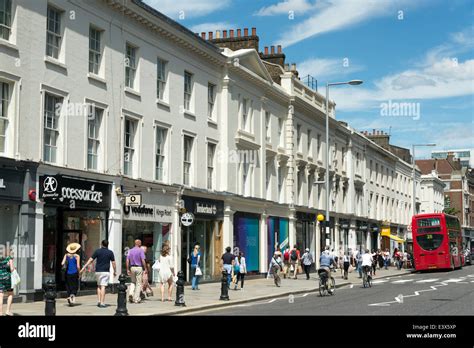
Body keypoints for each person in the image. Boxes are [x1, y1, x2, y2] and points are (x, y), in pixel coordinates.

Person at [80, 240, 116, 308]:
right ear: (107, 245)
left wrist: (83, 268)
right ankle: (102, 303)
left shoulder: (97, 251)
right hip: (105, 271)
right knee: (103, 286)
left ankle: (99, 301)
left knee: (99, 286)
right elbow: (113, 263)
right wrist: (115, 271)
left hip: (98, 271)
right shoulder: (110, 252)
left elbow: (90, 260)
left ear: (101, 244)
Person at [126, 239, 147, 304]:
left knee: (133, 282)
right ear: (139, 244)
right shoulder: (140, 250)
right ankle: (136, 298)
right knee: (138, 283)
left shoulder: (130, 250)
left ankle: (131, 293)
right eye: (140, 243)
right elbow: (143, 260)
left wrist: (127, 269)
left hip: (132, 267)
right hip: (139, 267)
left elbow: (127, 260)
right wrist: (145, 268)